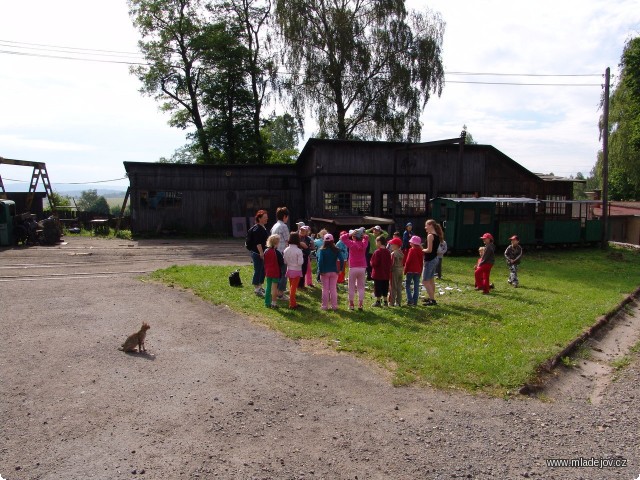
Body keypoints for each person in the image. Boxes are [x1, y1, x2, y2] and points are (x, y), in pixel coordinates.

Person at [340, 227, 369, 310]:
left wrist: (350, 233)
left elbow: (342, 238)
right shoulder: (364, 244)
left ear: (353, 237)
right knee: (361, 286)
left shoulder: (351, 244)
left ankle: (351, 304)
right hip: (362, 267)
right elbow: (366, 237)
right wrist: (362, 233)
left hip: (353, 267)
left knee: (351, 286)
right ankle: (360, 304)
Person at [316, 233, 344, 310]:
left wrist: (320, 270)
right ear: (333, 240)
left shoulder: (322, 250)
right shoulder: (336, 249)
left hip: (324, 271)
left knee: (325, 289)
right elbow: (342, 260)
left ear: (324, 241)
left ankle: (324, 306)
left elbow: (320, 261)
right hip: (334, 271)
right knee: (333, 289)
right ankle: (334, 306)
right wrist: (341, 269)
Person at [246, 209, 269, 297]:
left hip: (260, 252)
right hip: (257, 253)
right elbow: (258, 242)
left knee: (262, 270)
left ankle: (260, 286)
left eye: (267, 217)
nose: (267, 219)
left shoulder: (262, 227)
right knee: (258, 270)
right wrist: (261, 253)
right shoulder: (257, 229)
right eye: (265, 217)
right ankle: (256, 288)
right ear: (259, 219)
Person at [421, 219, 442, 306]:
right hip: (435, 259)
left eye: (426, 225)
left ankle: (432, 300)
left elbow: (429, 250)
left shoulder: (430, 236)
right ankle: (431, 297)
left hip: (430, 260)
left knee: (425, 281)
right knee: (431, 280)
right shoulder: (436, 235)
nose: (425, 227)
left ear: (430, 225)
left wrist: (421, 249)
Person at [270, 207, 290, 299]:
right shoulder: (284, 226)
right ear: (285, 216)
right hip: (282, 253)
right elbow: (288, 240)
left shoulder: (274, 225)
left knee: (277, 273)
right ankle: (280, 293)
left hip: (275, 252)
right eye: (287, 216)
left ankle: (276, 290)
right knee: (284, 273)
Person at [283, 232, 304, 309]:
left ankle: (293, 302)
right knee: (293, 288)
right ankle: (292, 304)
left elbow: (284, 261)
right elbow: (300, 262)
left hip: (289, 269)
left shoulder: (286, 250)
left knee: (291, 286)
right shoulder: (298, 251)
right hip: (297, 270)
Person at [263, 234, 284, 308]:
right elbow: (281, 263)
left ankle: (267, 302)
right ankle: (274, 303)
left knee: (268, 287)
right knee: (274, 288)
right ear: (276, 243)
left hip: (268, 271)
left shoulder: (266, 251)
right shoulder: (277, 252)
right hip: (275, 272)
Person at [370, 235, 392, 307]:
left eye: (376, 242)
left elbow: (374, 263)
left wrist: (371, 263)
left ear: (379, 242)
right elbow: (390, 262)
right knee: (385, 286)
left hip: (378, 273)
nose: (376, 243)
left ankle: (378, 301)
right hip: (386, 273)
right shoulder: (388, 252)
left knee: (378, 287)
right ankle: (385, 301)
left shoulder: (377, 252)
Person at [404, 235, 424, 306]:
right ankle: (415, 301)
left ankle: (410, 300)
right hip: (418, 271)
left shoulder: (411, 250)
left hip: (410, 270)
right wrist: (421, 270)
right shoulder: (421, 251)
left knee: (407, 285)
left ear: (413, 243)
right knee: (416, 286)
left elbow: (408, 261)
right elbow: (421, 262)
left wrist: (405, 270)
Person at [388, 237, 404, 307]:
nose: (391, 245)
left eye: (392, 244)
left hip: (394, 270)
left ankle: (391, 302)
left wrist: (389, 270)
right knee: (399, 286)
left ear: (396, 245)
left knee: (393, 286)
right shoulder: (401, 252)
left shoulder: (393, 253)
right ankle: (398, 302)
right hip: (401, 269)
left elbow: (391, 264)